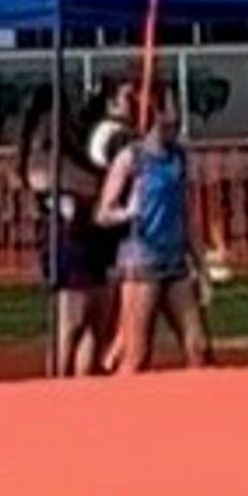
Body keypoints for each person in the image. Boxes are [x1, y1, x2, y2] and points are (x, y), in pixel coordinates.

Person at [97, 85, 212, 373]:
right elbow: (103, 213)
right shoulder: (131, 158)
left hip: (175, 260)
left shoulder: (179, 157)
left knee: (199, 347)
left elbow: (187, 215)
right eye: (168, 111)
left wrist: (202, 268)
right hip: (142, 260)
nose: (175, 119)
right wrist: (128, 211)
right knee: (137, 353)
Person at [17, 84, 112, 377]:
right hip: (66, 241)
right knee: (72, 321)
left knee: (97, 317)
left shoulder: (74, 150)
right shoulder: (39, 158)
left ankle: (86, 382)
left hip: (91, 238)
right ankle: (59, 384)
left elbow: (92, 181)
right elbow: (75, 182)